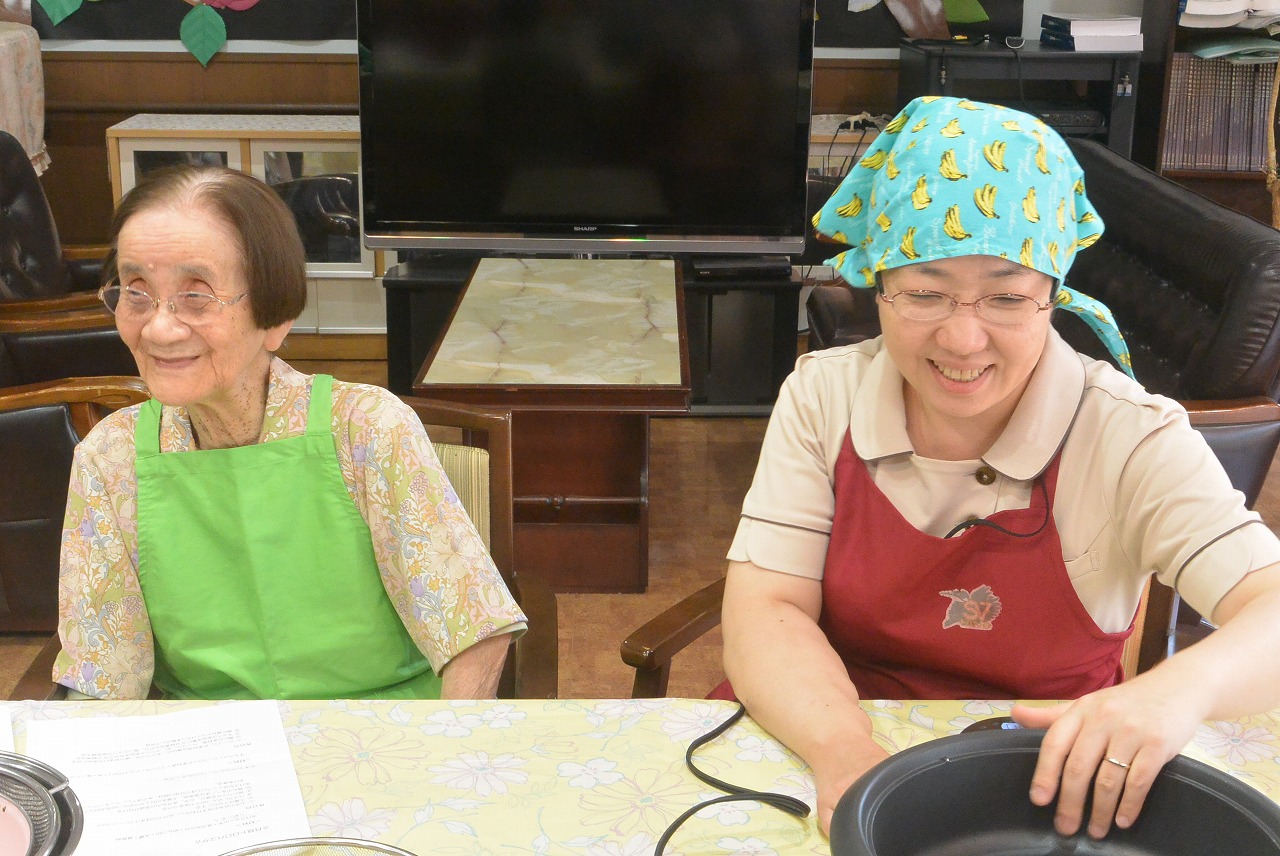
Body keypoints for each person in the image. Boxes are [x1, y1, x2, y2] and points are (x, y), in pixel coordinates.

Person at [720, 96, 1280, 840]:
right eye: (925, 292)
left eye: (1007, 297)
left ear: (1054, 293)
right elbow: (768, 605)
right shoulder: (825, 395)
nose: (962, 339)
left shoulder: (1127, 433)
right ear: (876, 284)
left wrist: (1176, 690)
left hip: (1038, 785)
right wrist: (844, 753)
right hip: (822, 730)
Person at [53, 165, 526, 701]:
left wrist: (446, 744)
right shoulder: (110, 457)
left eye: (196, 295)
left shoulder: (365, 428)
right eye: (136, 292)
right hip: (212, 744)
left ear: (275, 316)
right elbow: (103, 675)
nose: (159, 328)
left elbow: (472, 631)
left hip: (382, 731)